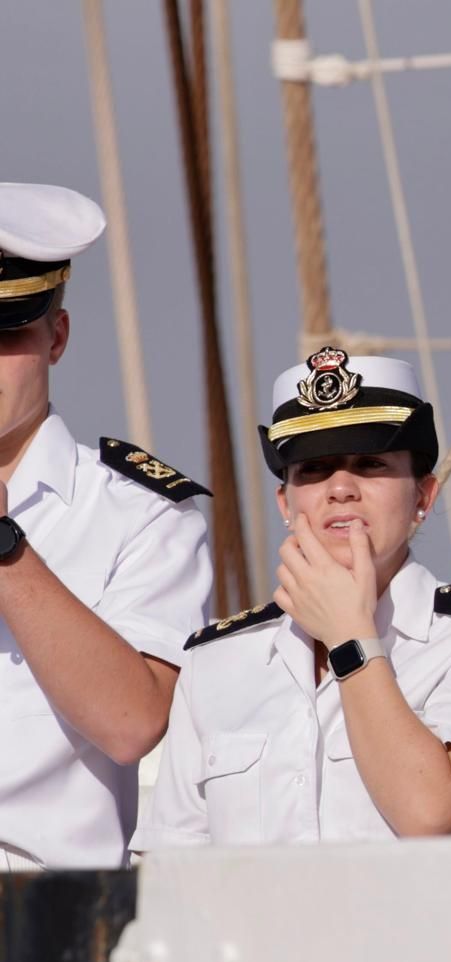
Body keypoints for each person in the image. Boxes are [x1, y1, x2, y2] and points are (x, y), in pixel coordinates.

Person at [132, 349, 451, 845]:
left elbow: (431, 812)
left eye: (370, 464)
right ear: (286, 503)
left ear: (423, 497)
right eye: (313, 469)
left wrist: (350, 637)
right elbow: (171, 865)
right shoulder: (216, 660)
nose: (341, 488)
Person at [0, 182, 211, 871]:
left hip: (35, 916)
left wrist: (7, 550)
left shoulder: (142, 514)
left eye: (7, 334)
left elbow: (132, 723)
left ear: (55, 337)